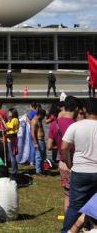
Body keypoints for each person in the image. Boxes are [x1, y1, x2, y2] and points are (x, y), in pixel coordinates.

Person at [60, 98, 97, 233]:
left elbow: (64, 147)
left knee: (75, 206)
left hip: (80, 170)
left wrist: (70, 164)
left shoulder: (76, 126)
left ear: (85, 110)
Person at [49, 96, 79, 213]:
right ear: (76, 109)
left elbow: (49, 146)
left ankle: (68, 223)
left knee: (67, 195)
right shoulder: (76, 125)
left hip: (62, 163)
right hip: (75, 163)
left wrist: (61, 148)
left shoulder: (54, 124)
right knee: (79, 196)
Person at [32, 108, 47, 175]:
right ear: (40, 115)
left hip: (42, 140)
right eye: (43, 116)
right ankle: (38, 171)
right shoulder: (35, 121)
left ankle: (42, 169)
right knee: (39, 156)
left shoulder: (39, 120)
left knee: (43, 156)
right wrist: (35, 143)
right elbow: (33, 132)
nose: (44, 118)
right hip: (38, 140)